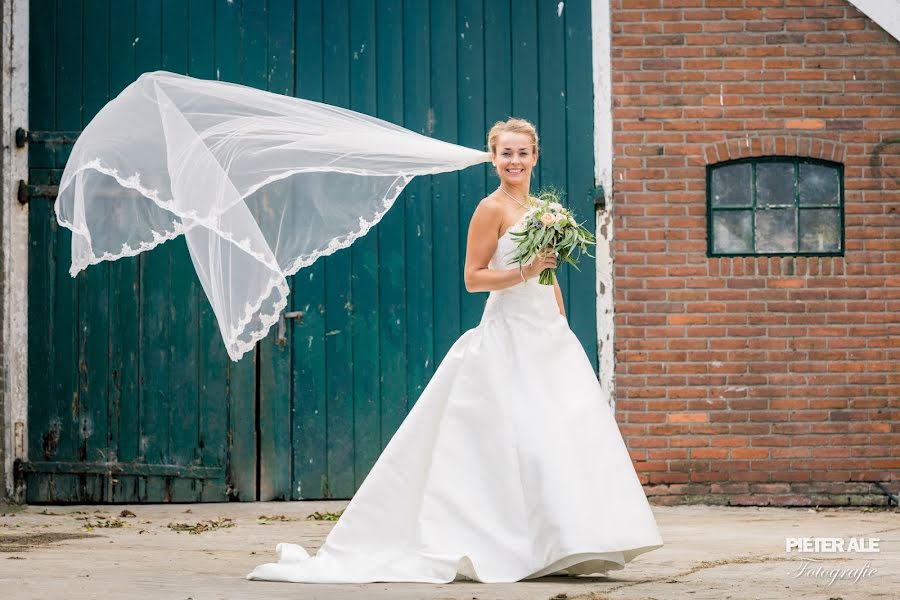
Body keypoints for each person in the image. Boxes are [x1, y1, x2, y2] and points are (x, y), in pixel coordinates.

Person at [246, 118, 664, 584]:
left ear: (535, 156)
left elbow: (548, 275)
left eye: (522, 153)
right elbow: (473, 277)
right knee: (520, 439)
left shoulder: (545, 209)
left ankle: (568, 543)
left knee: (563, 433)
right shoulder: (491, 209)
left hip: (548, 334)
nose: (515, 161)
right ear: (494, 158)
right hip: (508, 335)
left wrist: (560, 318)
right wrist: (526, 271)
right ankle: (511, 543)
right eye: (506, 153)